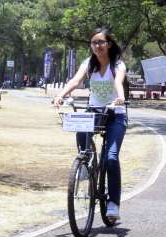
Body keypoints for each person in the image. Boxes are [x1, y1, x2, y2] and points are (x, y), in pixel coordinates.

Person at [53, 27, 127, 219]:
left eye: (101, 42)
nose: (97, 46)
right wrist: (61, 95)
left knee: (111, 157)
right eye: (94, 43)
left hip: (115, 114)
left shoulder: (117, 65)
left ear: (109, 44)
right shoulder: (89, 63)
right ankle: (88, 162)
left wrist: (120, 98)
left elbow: (119, 82)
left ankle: (113, 204)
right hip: (94, 111)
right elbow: (75, 81)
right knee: (81, 129)